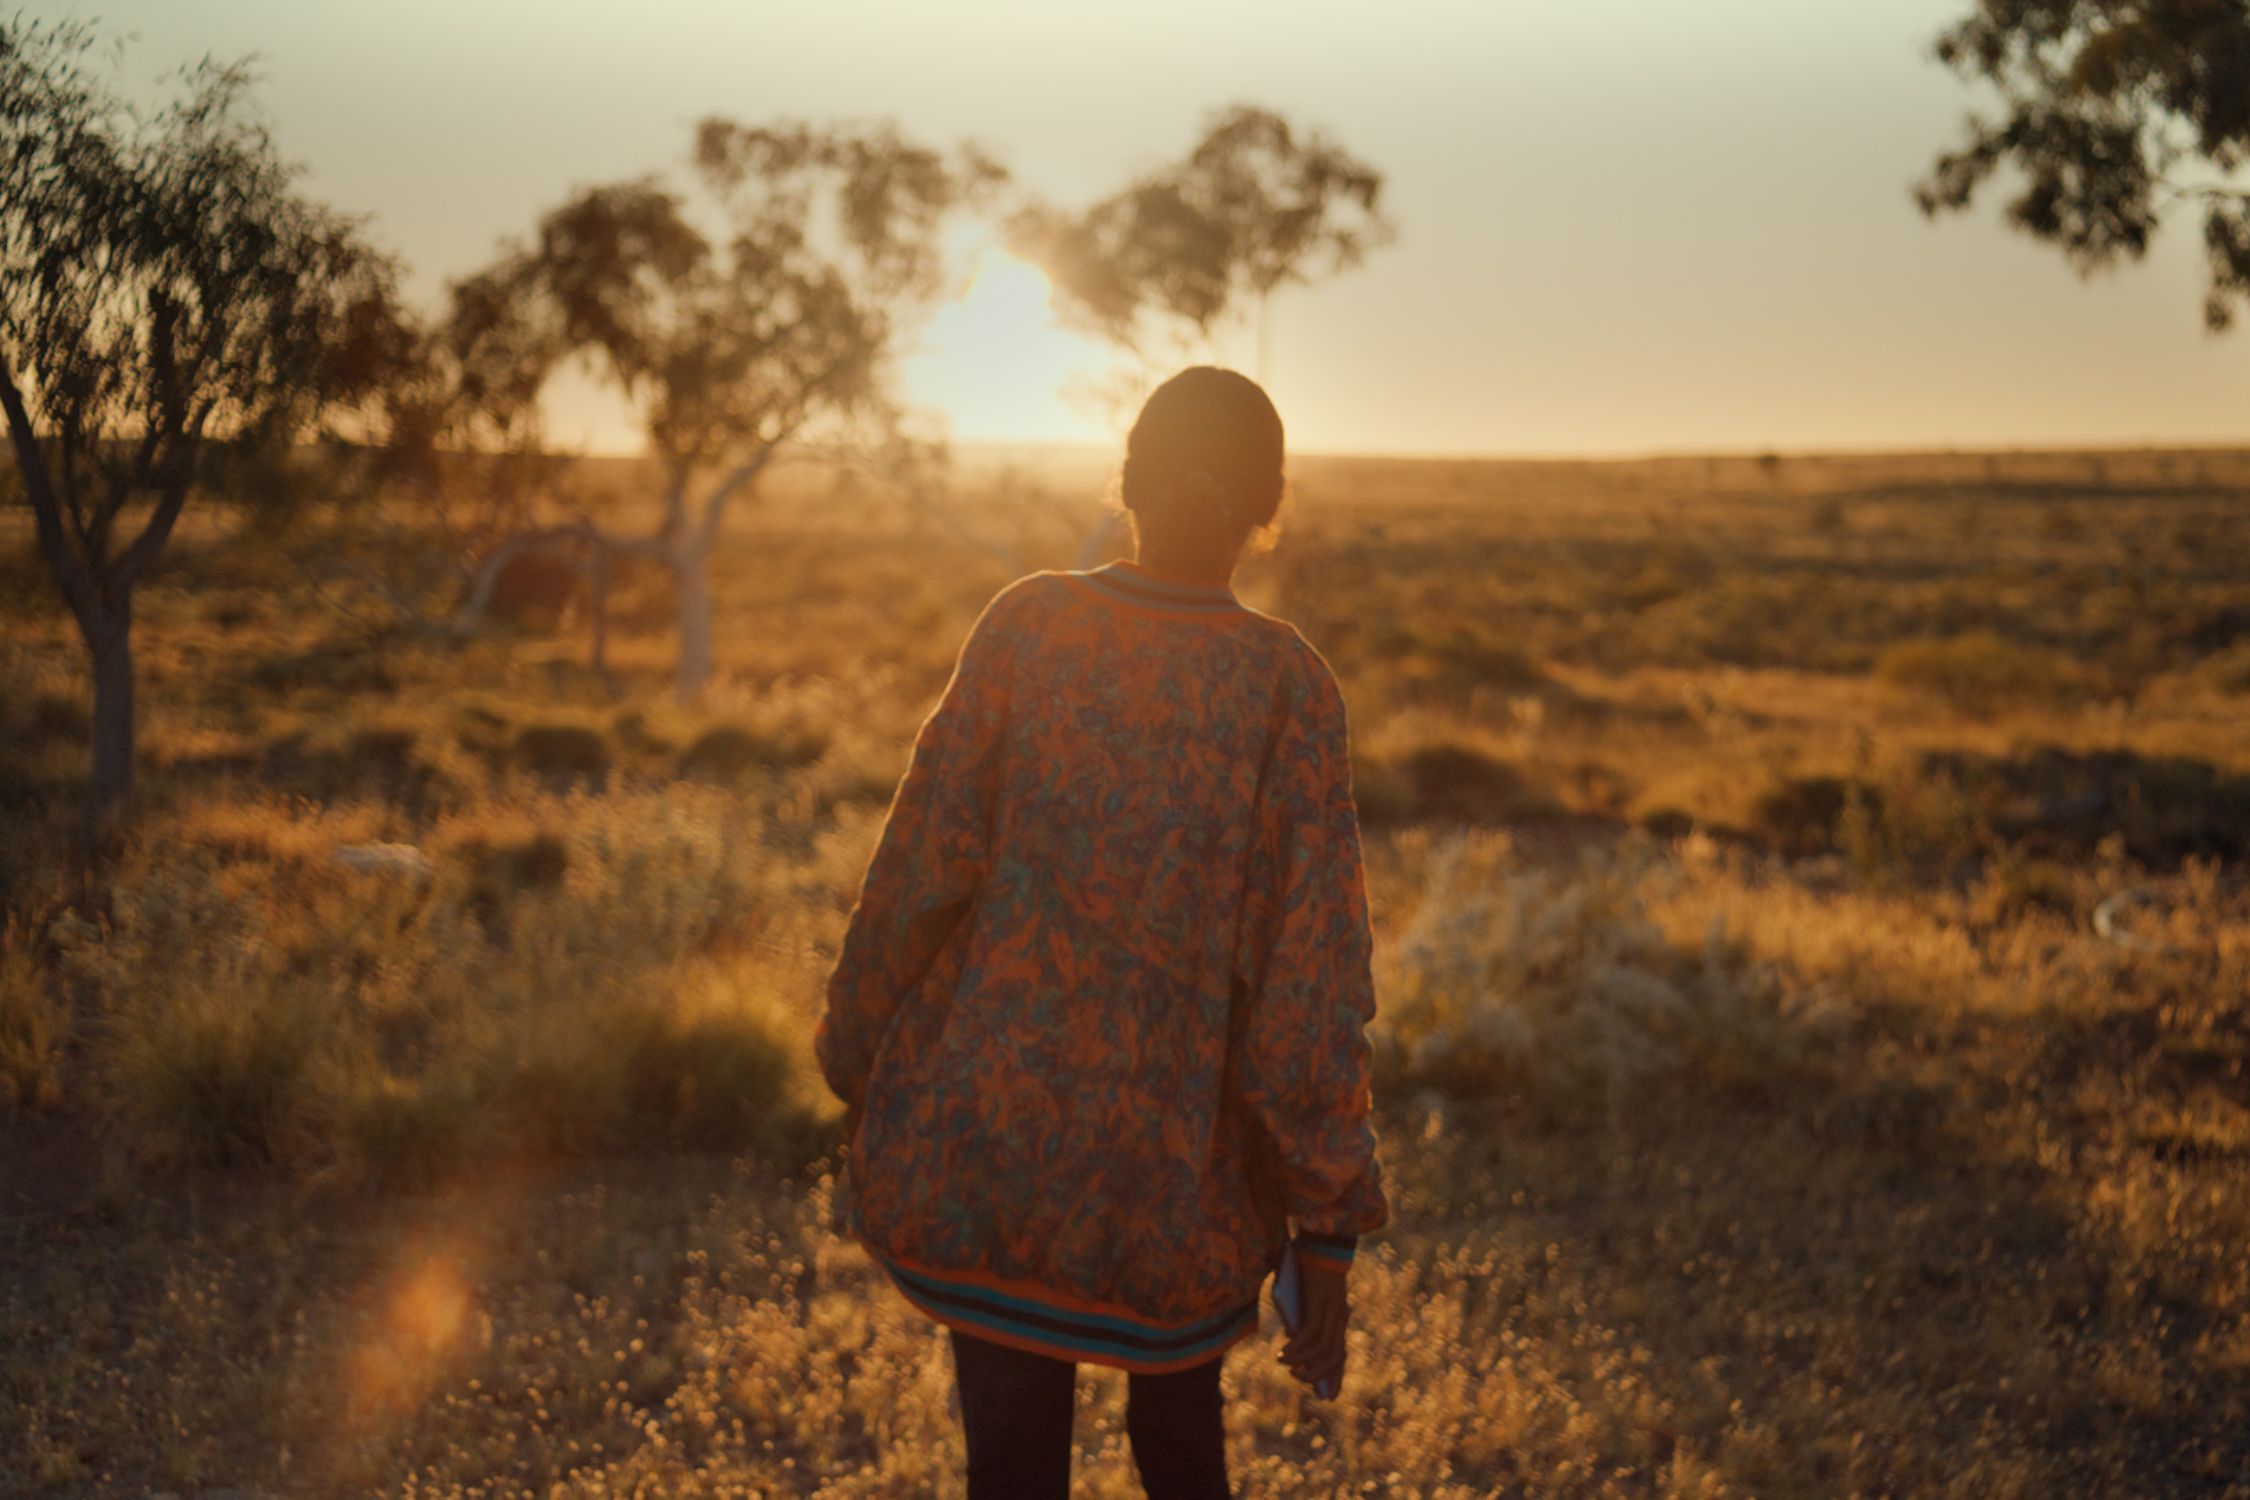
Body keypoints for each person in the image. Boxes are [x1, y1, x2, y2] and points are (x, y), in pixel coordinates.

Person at [815, 366, 1388, 1500]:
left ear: (1126, 482)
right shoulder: (1285, 688)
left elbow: (918, 871)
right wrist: (1325, 1227)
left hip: (992, 1160)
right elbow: (1309, 989)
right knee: (1183, 1451)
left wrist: (855, 1054)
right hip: (1177, 1193)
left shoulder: (1028, 625)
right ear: (1267, 512)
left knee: (1010, 1471)